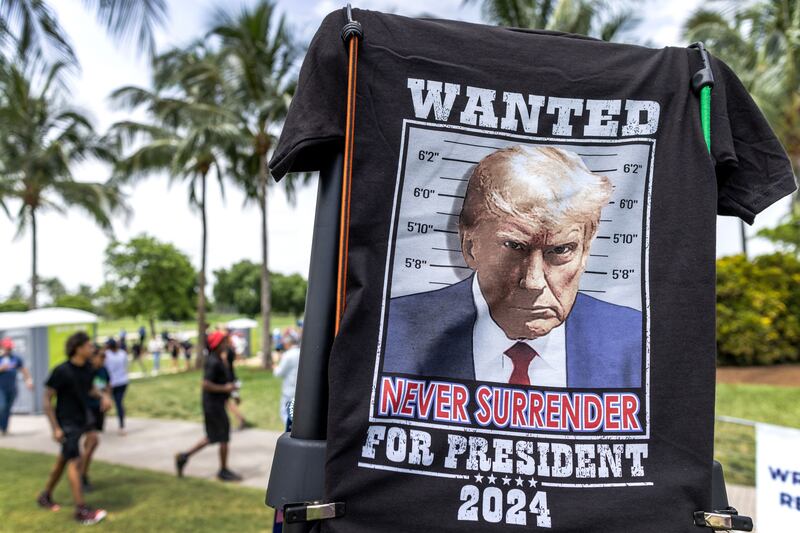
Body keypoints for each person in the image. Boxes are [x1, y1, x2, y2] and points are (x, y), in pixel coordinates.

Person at [384, 145, 642, 388]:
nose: (533, 282)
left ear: (585, 249)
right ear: (469, 246)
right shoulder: (392, 332)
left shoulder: (637, 342)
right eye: (514, 247)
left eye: (560, 250)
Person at [37, 331, 108, 524]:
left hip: (83, 418)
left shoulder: (87, 368)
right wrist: (55, 428)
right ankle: (81, 510)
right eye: (89, 346)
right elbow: (46, 399)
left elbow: (89, 388)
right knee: (73, 462)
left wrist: (103, 396)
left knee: (79, 449)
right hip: (66, 422)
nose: (92, 349)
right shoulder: (61, 371)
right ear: (78, 348)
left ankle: (45, 496)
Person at [175, 331, 242, 481]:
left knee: (212, 437)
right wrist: (226, 389)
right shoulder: (213, 361)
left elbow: (223, 382)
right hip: (213, 405)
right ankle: (223, 471)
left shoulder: (219, 359)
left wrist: (232, 394)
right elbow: (206, 384)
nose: (226, 344)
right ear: (217, 345)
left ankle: (184, 457)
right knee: (224, 435)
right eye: (224, 342)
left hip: (216, 404)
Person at [81, 345, 111, 492]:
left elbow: (107, 385)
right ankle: (82, 474)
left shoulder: (103, 370)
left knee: (90, 443)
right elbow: (90, 390)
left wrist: (108, 398)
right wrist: (103, 396)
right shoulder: (86, 371)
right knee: (93, 440)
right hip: (86, 408)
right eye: (101, 356)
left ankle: (81, 470)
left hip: (98, 409)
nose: (104, 359)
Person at [0, 337, 33, 435]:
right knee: (2, 406)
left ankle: (4, 428)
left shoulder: (15, 358)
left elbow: (24, 370)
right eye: (7, 348)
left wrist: (29, 381)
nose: (9, 350)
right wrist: (2, 368)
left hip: (12, 387)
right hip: (0, 388)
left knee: (8, 408)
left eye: (10, 348)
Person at [223, 334, 251, 431]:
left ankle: (240, 418)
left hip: (228, 378)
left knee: (226, 401)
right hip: (232, 376)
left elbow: (225, 363)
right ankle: (237, 400)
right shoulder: (231, 349)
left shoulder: (225, 351)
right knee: (231, 399)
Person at [104, 339, 129, 435]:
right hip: (123, 381)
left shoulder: (107, 355)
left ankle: (100, 424)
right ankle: (121, 426)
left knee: (105, 403)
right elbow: (126, 366)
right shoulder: (123, 353)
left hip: (111, 383)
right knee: (119, 404)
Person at [274, 336, 300, 425]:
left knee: (285, 413)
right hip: (300, 388)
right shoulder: (302, 352)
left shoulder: (288, 355)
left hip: (289, 389)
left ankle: (289, 431)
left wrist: (275, 367)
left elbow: (279, 373)